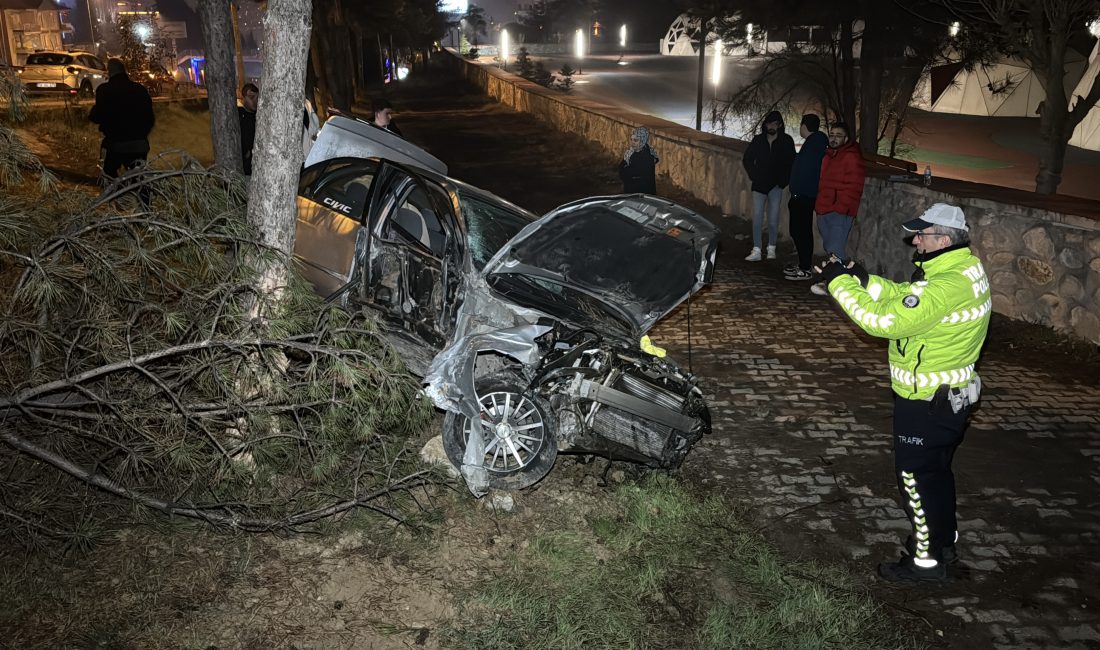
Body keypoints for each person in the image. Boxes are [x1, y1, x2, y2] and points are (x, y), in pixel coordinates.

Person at [816, 203, 990, 584]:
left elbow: (882, 321)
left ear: (943, 239)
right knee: (935, 474)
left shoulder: (945, 285)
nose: (914, 240)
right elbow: (908, 297)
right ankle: (943, 544)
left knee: (914, 478)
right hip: (948, 399)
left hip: (926, 402)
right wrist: (864, 279)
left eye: (922, 235)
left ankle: (925, 563)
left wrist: (838, 284)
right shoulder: (962, 269)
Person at [811, 121, 865, 294]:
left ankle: (835, 285)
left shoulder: (851, 156)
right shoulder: (828, 155)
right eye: (832, 135)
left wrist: (841, 207)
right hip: (824, 207)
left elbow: (854, 186)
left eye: (838, 135)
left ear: (846, 138)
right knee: (831, 247)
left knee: (835, 248)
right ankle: (835, 281)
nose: (834, 138)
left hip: (839, 211)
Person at [741, 110, 795, 262]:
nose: (771, 126)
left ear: (780, 125)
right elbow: (747, 159)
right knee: (757, 217)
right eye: (769, 123)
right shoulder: (758, 140)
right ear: (765, 125)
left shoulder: (786, 141)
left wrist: (783, 181)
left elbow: (791, 162)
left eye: (775, 124)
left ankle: (771, 248)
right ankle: (757, 249)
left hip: (776, 186)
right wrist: (754, 175)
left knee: (773, 218)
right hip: (759, 185)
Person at [89, 58, 154, 180]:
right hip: (140, 143)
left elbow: (96, 116)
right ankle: (143, 197)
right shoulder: (140, 89)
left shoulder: (104, 90)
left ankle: (117, 193)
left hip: (116, 143)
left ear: (110, 72)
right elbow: (150, 118)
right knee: (139, 179)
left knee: (108, 175)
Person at [783, 114, 828, 281]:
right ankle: (803, 264)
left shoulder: (814, 144)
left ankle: (805, 268)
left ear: (804, 126)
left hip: (803, 196)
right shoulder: (814, 143)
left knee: (800, 231)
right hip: (801, 195)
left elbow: (806, 171)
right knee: (799, 231)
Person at [618, 126, 659, 194]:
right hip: (630, 190)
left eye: (636, 140)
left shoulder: (647, 155)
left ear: (642, 141)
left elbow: (638, 173)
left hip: (642, 193)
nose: (632, 142)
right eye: (631, 139)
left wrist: (626, 173)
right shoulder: (630, 152)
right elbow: (621, 167)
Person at [238, 82, 259, 175]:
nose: (255, 101)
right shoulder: (237, 115)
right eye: (251, 97)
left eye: (257, 98)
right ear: (243, 98)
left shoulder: (260, 116)